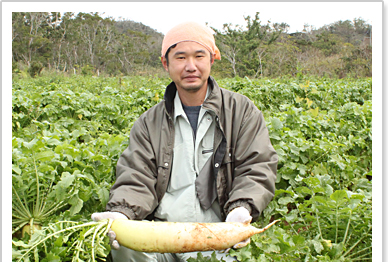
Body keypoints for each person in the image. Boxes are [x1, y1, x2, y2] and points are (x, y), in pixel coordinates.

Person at [92, 21, 278, 262]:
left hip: (220, 239)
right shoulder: (149, 123)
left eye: (199, 56)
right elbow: (136, 177)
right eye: (180, 58)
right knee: (123, 247)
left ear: (211, 60)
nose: (191, 66)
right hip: (162, 239)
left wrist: (241, 209)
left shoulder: (241, 112)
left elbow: (257, 167)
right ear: (166, 63)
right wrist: (121, 213)